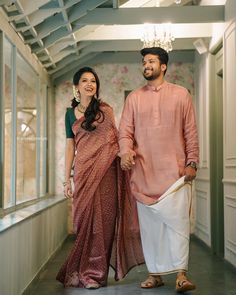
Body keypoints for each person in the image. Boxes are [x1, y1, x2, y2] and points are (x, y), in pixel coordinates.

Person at [119, 47, 199, 293]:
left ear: (163, 66)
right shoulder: (134, 97)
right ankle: (155, 274)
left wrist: (192, 161)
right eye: (144, 62)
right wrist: (125, 152)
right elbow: (125, 132)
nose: (146, 65)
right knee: (151, 230)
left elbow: (190, 132)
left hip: (175, 174)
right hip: (144, 173)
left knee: (178, 225)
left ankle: (181, 275)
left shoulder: (181, 94)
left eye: (151, 61)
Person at [56, 67, 144, 289]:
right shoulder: (69, 114)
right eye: (84, 80)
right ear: (76, 87)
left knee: (103, 225)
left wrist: (128, 153)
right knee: (84, 224)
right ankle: (83, 270)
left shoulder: (106, 111)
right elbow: (70, 147)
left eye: (93, 81)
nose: (89, 84)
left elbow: (113, 141)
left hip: (106, 173)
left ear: (96, 86)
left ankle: (95, 275)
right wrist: (66, 179)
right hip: (84, 173)